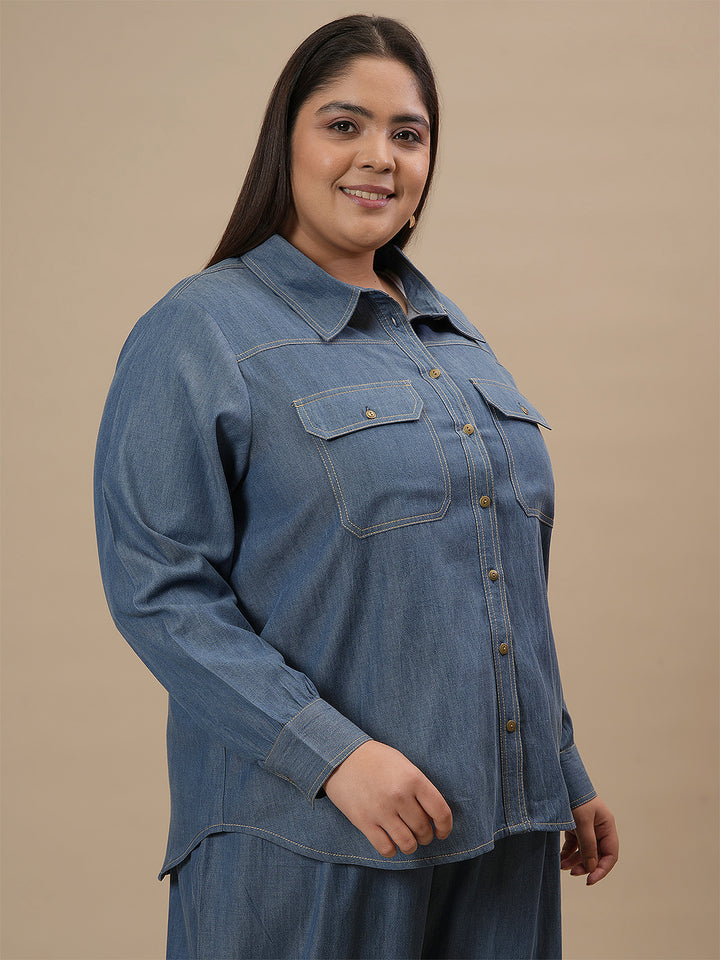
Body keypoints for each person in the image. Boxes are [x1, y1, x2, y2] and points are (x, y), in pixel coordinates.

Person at [94, 13, 618, 960]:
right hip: (312, 843)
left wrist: (560, 765)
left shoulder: (457, 343)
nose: (379, 157)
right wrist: (334, 760)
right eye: (344, 125)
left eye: (407, 134)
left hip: (503, 839)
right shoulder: (200, 332)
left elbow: (497, 577)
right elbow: (161, 592)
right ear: (285, 142)